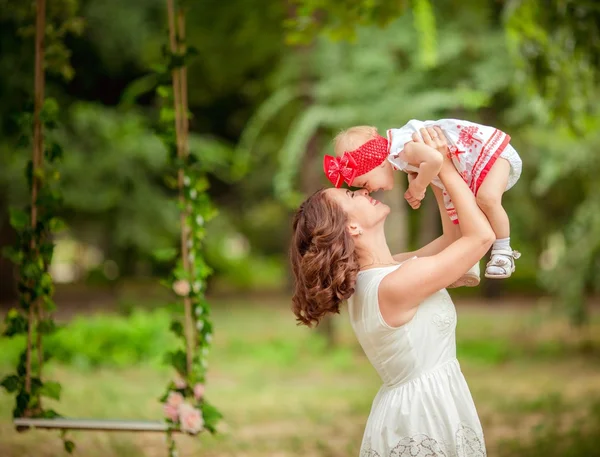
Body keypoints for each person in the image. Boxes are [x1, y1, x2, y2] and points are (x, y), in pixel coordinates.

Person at [292, 128, 493, 456]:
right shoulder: (397, 284)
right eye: (353, 197)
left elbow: (455, 238)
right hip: (423, 417)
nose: (361, 190)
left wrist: (433, 180)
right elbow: (480, 238)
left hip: (412, 408)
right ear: (351, 228)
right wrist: (444, 167)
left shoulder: (383, 275)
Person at [323, 120, 522, 281]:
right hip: (467, 161)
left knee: (486, 199)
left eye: (365, 183)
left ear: (378, 163)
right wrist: (416, 180)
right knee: (463, 210)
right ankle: (466, 261)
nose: (368, 191)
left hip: (488, 152)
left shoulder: (404, 149)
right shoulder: (400, 157)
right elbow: (426, 164)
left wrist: (418, 186)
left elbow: (435, 160)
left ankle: (503, 250)